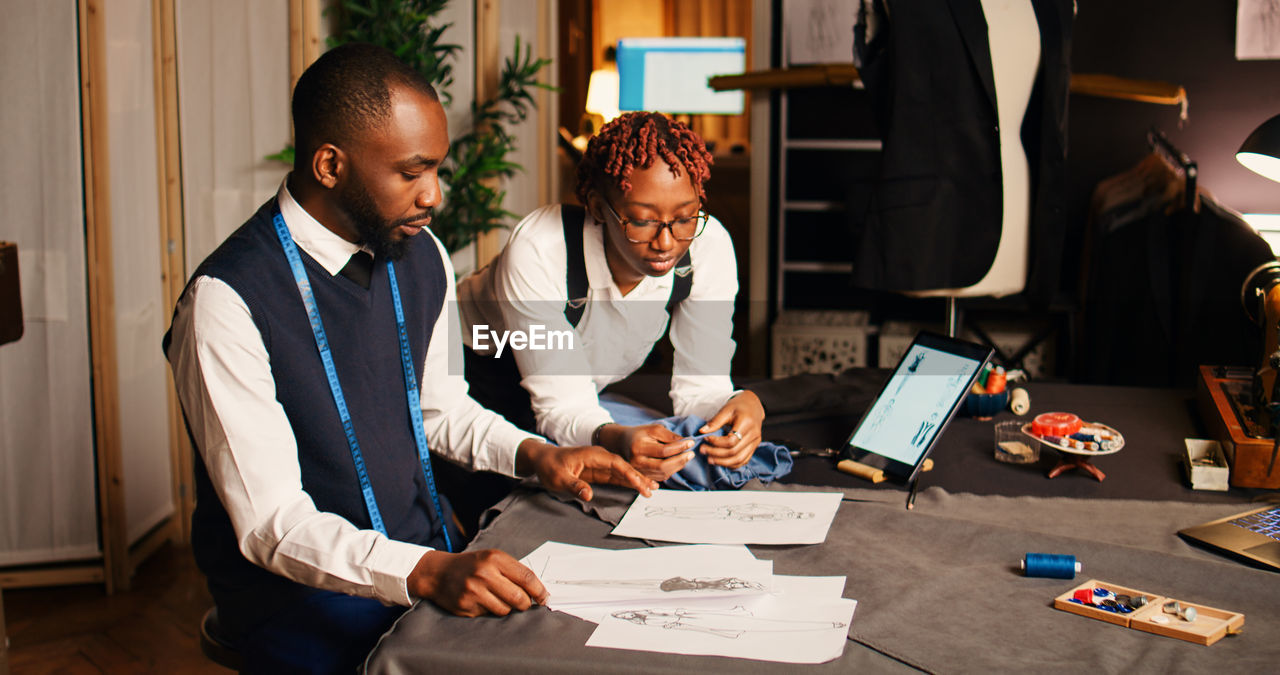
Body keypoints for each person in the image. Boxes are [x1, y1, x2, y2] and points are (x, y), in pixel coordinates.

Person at [164, 43, 655, 674]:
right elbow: (272, 525)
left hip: (428, 554)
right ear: (330, 165)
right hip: (298, 596)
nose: (435, 196)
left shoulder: (422, 257)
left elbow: (441, 409)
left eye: (437, 170)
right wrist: (426, 572)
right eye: (411, 172)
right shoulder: (226, 300)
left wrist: (540, 456)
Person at [458, 112, 772, 493]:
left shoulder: (708, 249)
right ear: (595, 206)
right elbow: (562, 407)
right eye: (642, 221)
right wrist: (613, 436)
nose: (667, 242)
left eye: (686, 217)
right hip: (479, 373)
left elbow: (699, 387)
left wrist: (737, 405)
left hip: (575, 388)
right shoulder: (542, 251)